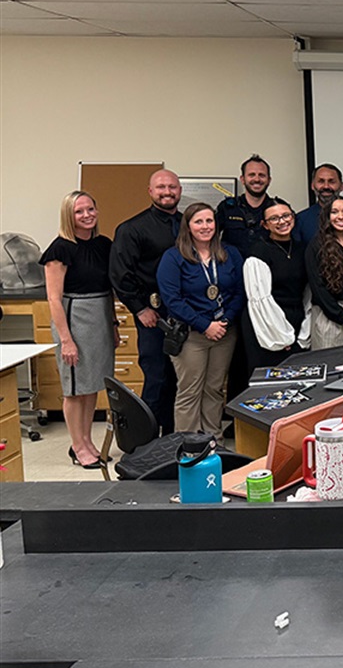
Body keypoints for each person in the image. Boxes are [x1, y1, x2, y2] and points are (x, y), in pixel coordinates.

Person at [39, 191, 117, 469]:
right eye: (79, 211)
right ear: (68, 216)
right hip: (74, 321)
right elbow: (53, 298)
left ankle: (87, 441)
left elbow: (107, 290)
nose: (87, 215)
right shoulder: (59, 249)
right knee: (74, 389)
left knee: (92, 385)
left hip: (100, 319)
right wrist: (66, 340)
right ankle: (77, 445)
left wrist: (114, 324)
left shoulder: (103, 245)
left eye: (90, 209)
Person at [156, 203, 244, 440]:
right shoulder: (173, 257)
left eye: (209, 221)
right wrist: (205, 325)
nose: (205, 227)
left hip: (224, 332)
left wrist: (223, 321)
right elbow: (172, 300)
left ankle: (213, 440)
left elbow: (239, 292)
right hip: (191, 335)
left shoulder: (229, 253)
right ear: (188, 226)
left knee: (215, 389)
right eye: (199, 222)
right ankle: (189, 445)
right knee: (190, 391)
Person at [109, 169, 183, 433]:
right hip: (153, 315)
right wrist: (140, 309)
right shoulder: (132, 228)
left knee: (179, 379)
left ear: (180, 191)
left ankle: (174, 435)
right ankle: (147, 442)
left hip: (184, 314)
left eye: (172, 187)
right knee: (156, 378)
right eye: (161, 187)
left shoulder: (188, 224)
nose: (167, 192)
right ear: (150, 191)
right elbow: (120, 274)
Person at [242, 201, 310, 371]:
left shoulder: (303, 249)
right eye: (274, 219)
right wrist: (280, 336)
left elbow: (309, 292)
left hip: (296, 322)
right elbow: (259, 299)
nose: (282, 221)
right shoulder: (258, 252)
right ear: (265, 225)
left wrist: (303, 333)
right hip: (267, 326)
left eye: (286, 216)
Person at [305, 196, 343, 350]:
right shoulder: (316, 245)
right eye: (335, 212)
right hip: (329, 315)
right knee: (329, 367)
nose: (341, 216)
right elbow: (318, 289)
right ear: (327, 217)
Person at [215, 154, 286, 257]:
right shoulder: (227, 208)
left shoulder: (279, 209)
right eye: (251, 175)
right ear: (242, 179)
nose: (257, 179)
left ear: (269, 180)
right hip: (234, 269)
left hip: (269, 268)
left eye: (262, 175)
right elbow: (209, 237)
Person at [293, 164, 343, 245]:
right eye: (321, 181)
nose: (326, 186)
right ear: (312, 186)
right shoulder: (301, 219)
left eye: (332, 181)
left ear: (341, 186)